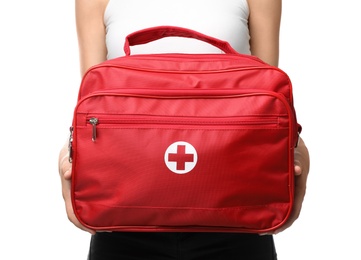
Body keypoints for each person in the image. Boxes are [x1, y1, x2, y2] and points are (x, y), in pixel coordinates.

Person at [58, 0, 310, 259]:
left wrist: (299, 154)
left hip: (236, 216)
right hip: (124, 217)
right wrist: (69, 161)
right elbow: (93, 107)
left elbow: (268, 105)